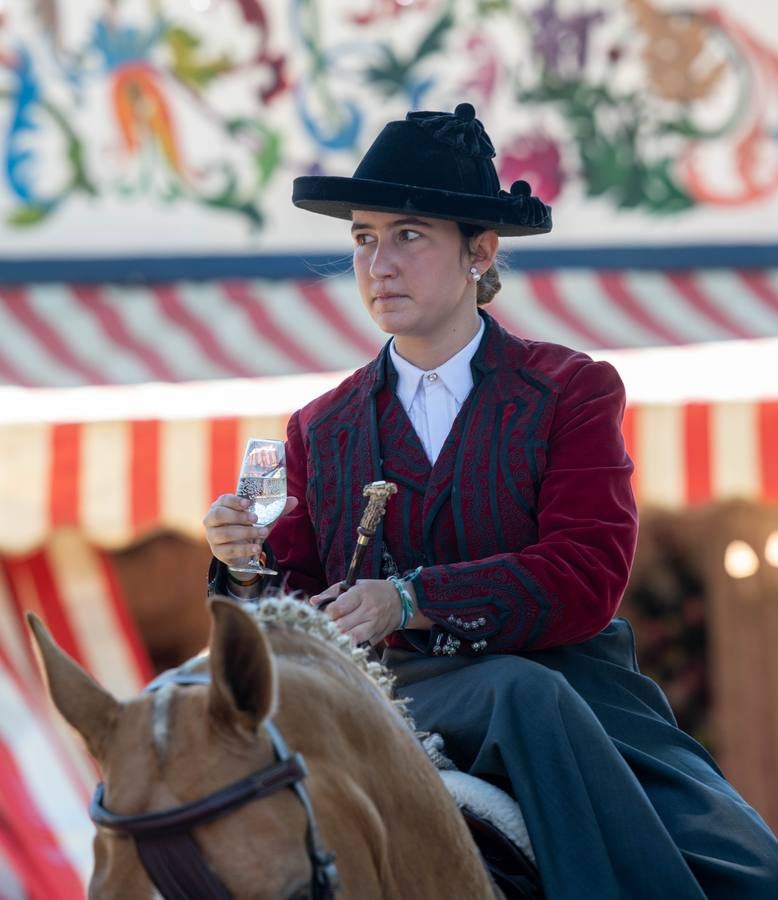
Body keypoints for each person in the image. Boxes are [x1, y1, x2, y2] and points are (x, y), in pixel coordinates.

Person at [204, 103, 778, 898]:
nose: (379, 265)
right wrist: (242, 566)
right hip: (395, 697)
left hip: (582, 694)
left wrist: (411, 598)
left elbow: (587, 575)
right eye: (363, 238)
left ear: (480, 250)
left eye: (408, 235)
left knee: (758, 871)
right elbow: (296, 613)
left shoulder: (571, 389)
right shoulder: (319, 427)